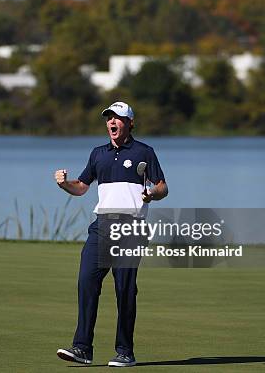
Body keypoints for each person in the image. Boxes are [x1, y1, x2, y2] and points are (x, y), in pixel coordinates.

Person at [55, 102, 168, 367]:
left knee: (124, 289)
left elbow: (162, 187)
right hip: (101, 226)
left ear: (130, 123)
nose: (112, 122)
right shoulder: (98, 154)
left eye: (117, 118)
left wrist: (151, 193)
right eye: (109, 118)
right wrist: (64, 184)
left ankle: (125, 352)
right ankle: (82, 348)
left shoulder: (144, 152)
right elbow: (81, 187)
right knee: (86, 282)